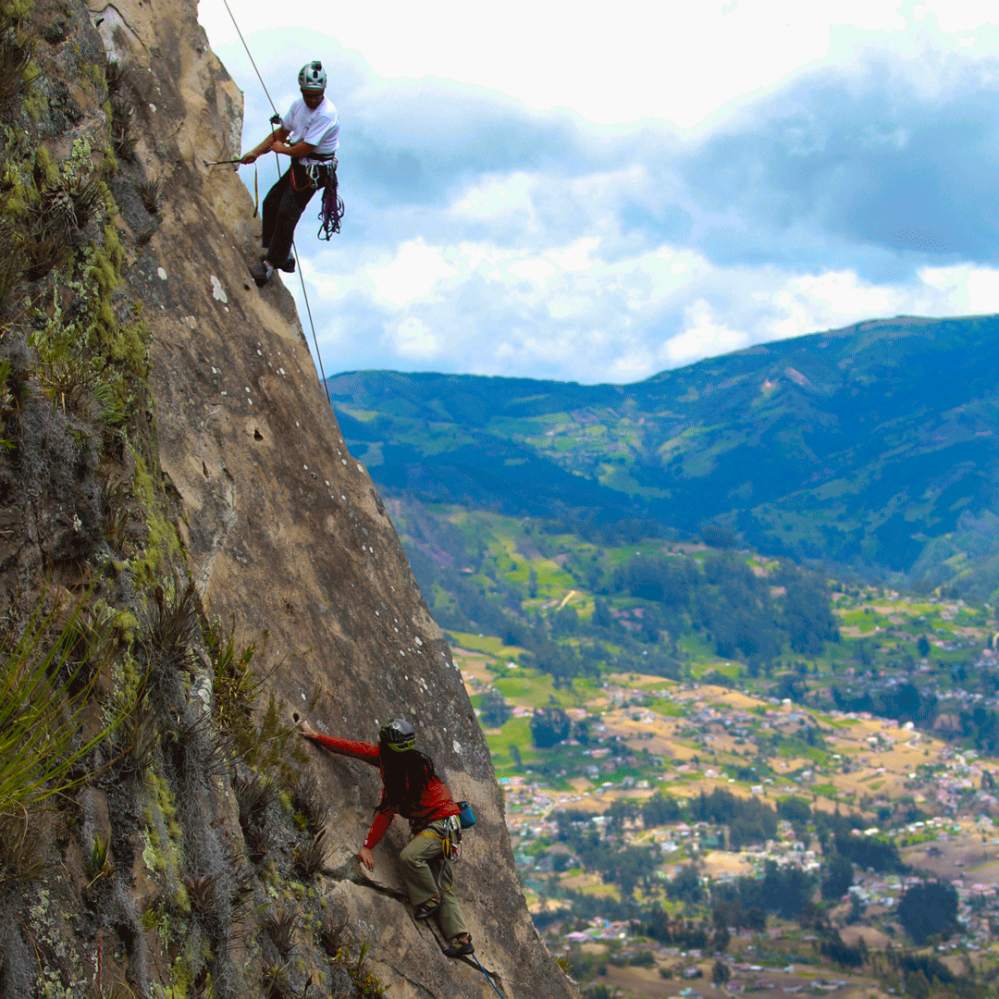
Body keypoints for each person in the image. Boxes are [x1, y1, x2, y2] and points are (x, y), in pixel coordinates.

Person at [299, 716, 474, 958]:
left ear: (390, 748)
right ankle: (461, 938)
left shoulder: (402, 777)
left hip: (440, 825)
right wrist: (317, 737)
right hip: (443, 826)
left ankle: (429, 899)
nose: (378, 743)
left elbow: (386, 814)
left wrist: (367, 846)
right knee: (441, 881)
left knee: (410, 857)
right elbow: (355, 749)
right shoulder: (399, 763)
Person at [241, 61, 340, 287]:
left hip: (314, 172)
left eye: (317, 95)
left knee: (287, 213)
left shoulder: (326, 114)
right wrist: (255, 152)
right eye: (308, 95)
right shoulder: (298, 106)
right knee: (271, 202)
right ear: (302, 91)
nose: (313, 99)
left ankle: (269, 265)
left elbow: (306, 147)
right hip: (300, 166)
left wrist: (282, 149)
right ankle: (280, 254)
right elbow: (282, 132)